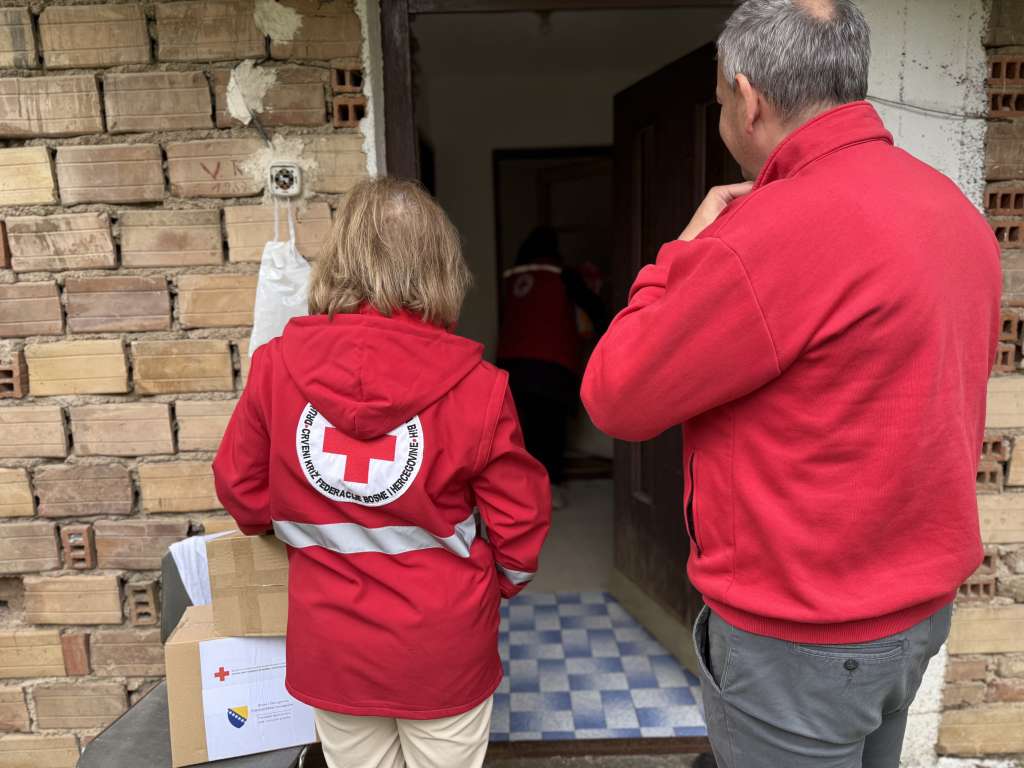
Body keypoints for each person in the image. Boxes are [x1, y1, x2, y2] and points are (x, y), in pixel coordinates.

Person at [581, 1, 1001, 766]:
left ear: (748, 100)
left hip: (801, 641)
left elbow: (615, 394)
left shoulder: (766, 236)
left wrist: (682, 251)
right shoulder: (952, 208)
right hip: (912, 619)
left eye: (718, 102)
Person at [212, 178, 551, 768]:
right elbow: (519, 523)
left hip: (331, 641)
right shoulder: (480, 388)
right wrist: (495, 585)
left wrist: (302, 525)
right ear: (439, 268)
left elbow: (241, 491)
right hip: (443, 642)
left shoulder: (275, 368)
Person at [497, 226, 609, 507]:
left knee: (521, 431)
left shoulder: (511, 277)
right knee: (551, 429)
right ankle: (550, 490)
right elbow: (596, 310)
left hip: (511, 365)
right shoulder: (563, 274)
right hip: (551, 364)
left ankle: (521, 493)